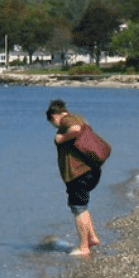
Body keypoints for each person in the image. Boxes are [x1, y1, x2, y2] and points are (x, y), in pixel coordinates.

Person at [46, 99, 102, 257]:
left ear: (54, 115)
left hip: (80, 173)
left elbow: (75, 130)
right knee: (79, 205)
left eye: (52, 122)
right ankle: (92, 238)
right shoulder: (78, 118)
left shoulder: (67, 120)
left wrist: (61, 139)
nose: (54, 126)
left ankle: (84, 247)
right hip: (90, 171)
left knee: (79, 209)